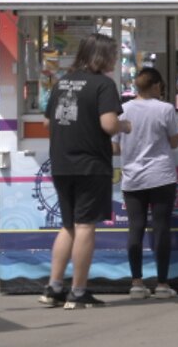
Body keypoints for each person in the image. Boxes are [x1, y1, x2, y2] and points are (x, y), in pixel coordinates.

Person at [38, 34, 127, 309]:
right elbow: (109, 124)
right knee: (85, 225)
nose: (115, 60)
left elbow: (46, 123)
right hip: (90, 164)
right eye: (112, 54)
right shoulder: (104, 84)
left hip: (61, 163)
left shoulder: (63, 82)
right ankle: (78, 291)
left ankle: (53, 288)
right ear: (101, 56)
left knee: (68, 226)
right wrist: (126, 126)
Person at [113, 68, 178, 300]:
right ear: (154, 86)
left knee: (136, 228)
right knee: (161, 228)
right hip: (161, 176)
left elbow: (114, 146)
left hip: (132, 177)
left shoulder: (122, 110)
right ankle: (162, 283)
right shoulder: (165, 109)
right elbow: (174, 142)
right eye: (160, 85)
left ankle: (136, 283)